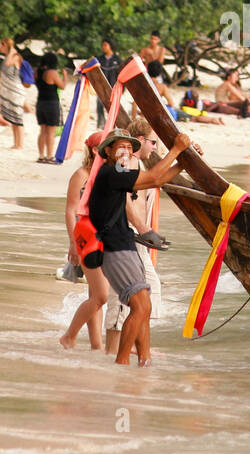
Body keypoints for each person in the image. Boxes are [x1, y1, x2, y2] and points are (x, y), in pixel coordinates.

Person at [90, 128, 193, 366]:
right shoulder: (111, 171)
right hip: (115, 248)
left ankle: (143, 362)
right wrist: (177, 149)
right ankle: (122, 362)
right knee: (140, 306)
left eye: (129, 147)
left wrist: (181, 163)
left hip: (124, 244)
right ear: (108, 151)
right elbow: (155, 178)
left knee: (143, 308)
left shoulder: (117, 172)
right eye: (120, 147)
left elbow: (157, 179)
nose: (126, 151)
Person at [105, 118, 168, 356]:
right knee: (129, 299)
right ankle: (118, 352)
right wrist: (144, 229)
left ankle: (138, 350)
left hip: (134, 240)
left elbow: (158, 177)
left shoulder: (135, 163)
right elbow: (124, 199)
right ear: (141, 140)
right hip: (127, 239)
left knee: (140, 297)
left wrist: (183, 156)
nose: (155, 148)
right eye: (153, 142)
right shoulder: (127, 162)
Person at [61, 133, 113, 350]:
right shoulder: (81, 175)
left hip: (105, 237)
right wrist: (73, 243)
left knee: (95, 295)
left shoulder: (107, 174)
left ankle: (96, 345)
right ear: (95, 150)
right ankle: (69, 336)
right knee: (101, 295)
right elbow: (71, 210)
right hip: (85, 237)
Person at [35, 52, 66, 163]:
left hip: (40, 103)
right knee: (51, 132)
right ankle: (49, 156)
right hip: (51, 103)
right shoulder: (52, 73)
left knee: (42, 130)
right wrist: (65, 76)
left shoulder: (37, 71)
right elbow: (62, 86)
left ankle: (41, 155)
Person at [0, 38, 26, 150]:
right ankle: (16, 143)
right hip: (9, 90)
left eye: (1, 45)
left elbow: (9, 64)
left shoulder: (15, 56)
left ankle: (20, 144)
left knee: (18, 118)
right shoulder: (8, 56)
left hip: (16, 91)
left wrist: (12, 51)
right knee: (13, 118)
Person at [95, 39, 123, 125]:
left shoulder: (117, 59)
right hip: (101, 87)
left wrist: (122, 89)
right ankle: (101, 124)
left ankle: (113, 124)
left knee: (113, 107)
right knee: (99, 105)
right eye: (102, 45)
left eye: (105, 45)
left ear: (110, 46)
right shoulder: (99, 59)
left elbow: (121, 74)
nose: (103, 47)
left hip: (113, 87)